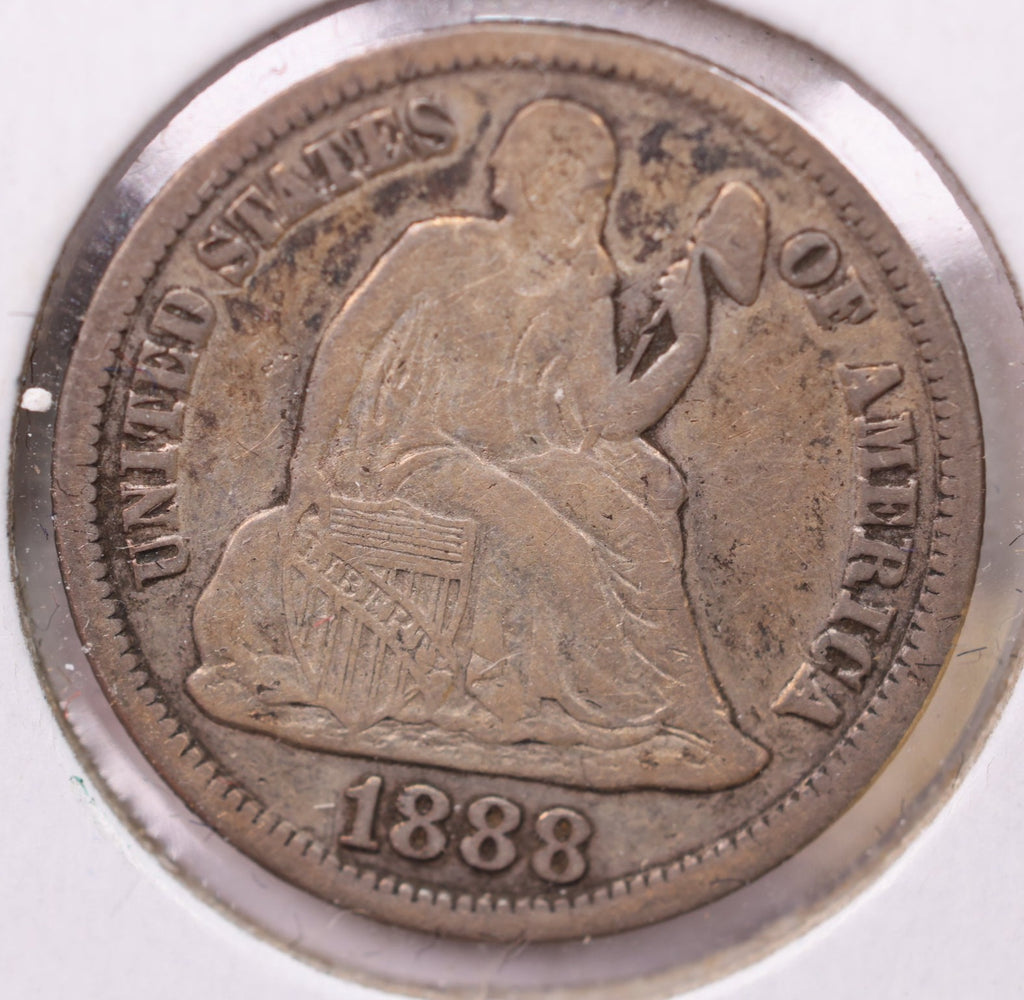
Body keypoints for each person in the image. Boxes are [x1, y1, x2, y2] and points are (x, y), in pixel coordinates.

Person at [189, 98, 770, 791]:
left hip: (521, 460)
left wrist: (691, 337)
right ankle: (626, 713)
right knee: (556, 544)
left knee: (632, 517)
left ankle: (694, 714)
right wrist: (308, 461)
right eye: (585, 181)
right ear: (544, 174)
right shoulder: (439, 248)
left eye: (596, 184)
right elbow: (348, 345)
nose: (592, 197)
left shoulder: (584, 281)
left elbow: (609, 418)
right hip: (414, 459)